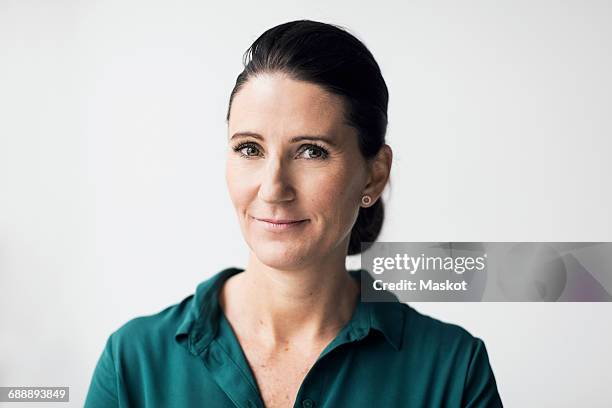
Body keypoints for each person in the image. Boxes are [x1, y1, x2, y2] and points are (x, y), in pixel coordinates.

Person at [85, 19, 503, 408]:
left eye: (311, 151)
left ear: (374, 176)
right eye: (249, 148)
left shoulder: (454, 372)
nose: (273, 189)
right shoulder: (133, 364)